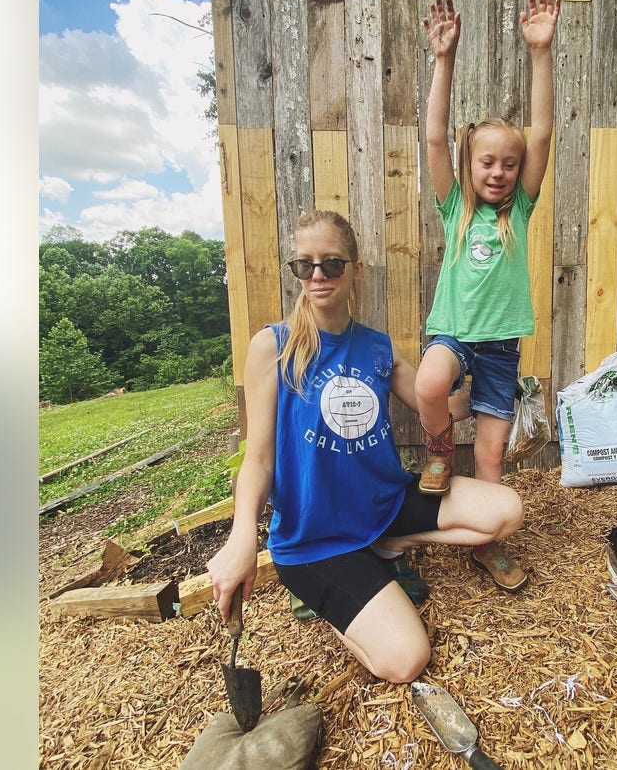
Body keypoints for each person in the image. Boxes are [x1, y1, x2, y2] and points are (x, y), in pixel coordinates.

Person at [206, 211, 524, 684]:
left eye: (331, 264)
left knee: (506, 509)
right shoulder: (273, 346)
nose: (317, 276)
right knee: (406, 659)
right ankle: (334, 599)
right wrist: (242, 538)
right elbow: (258, 458)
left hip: (383, 504)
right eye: (305, 265)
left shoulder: (378, 347)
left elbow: (432, 403)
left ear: (356, 269)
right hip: (315, 539)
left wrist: (498, 394)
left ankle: (388, 541)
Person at [414, 0, 559, 592]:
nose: (497, 173)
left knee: (495, 459)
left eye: (507, 163)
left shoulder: (519, 210)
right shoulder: (456, 209)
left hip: (499, 348)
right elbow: (434, 135)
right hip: (453, 334)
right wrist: (443, 60)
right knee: (428, 383)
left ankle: (490, 544)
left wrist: (540, 53)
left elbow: (544, 130)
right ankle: (441, 449)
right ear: (470, 166)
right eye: (487, 163)